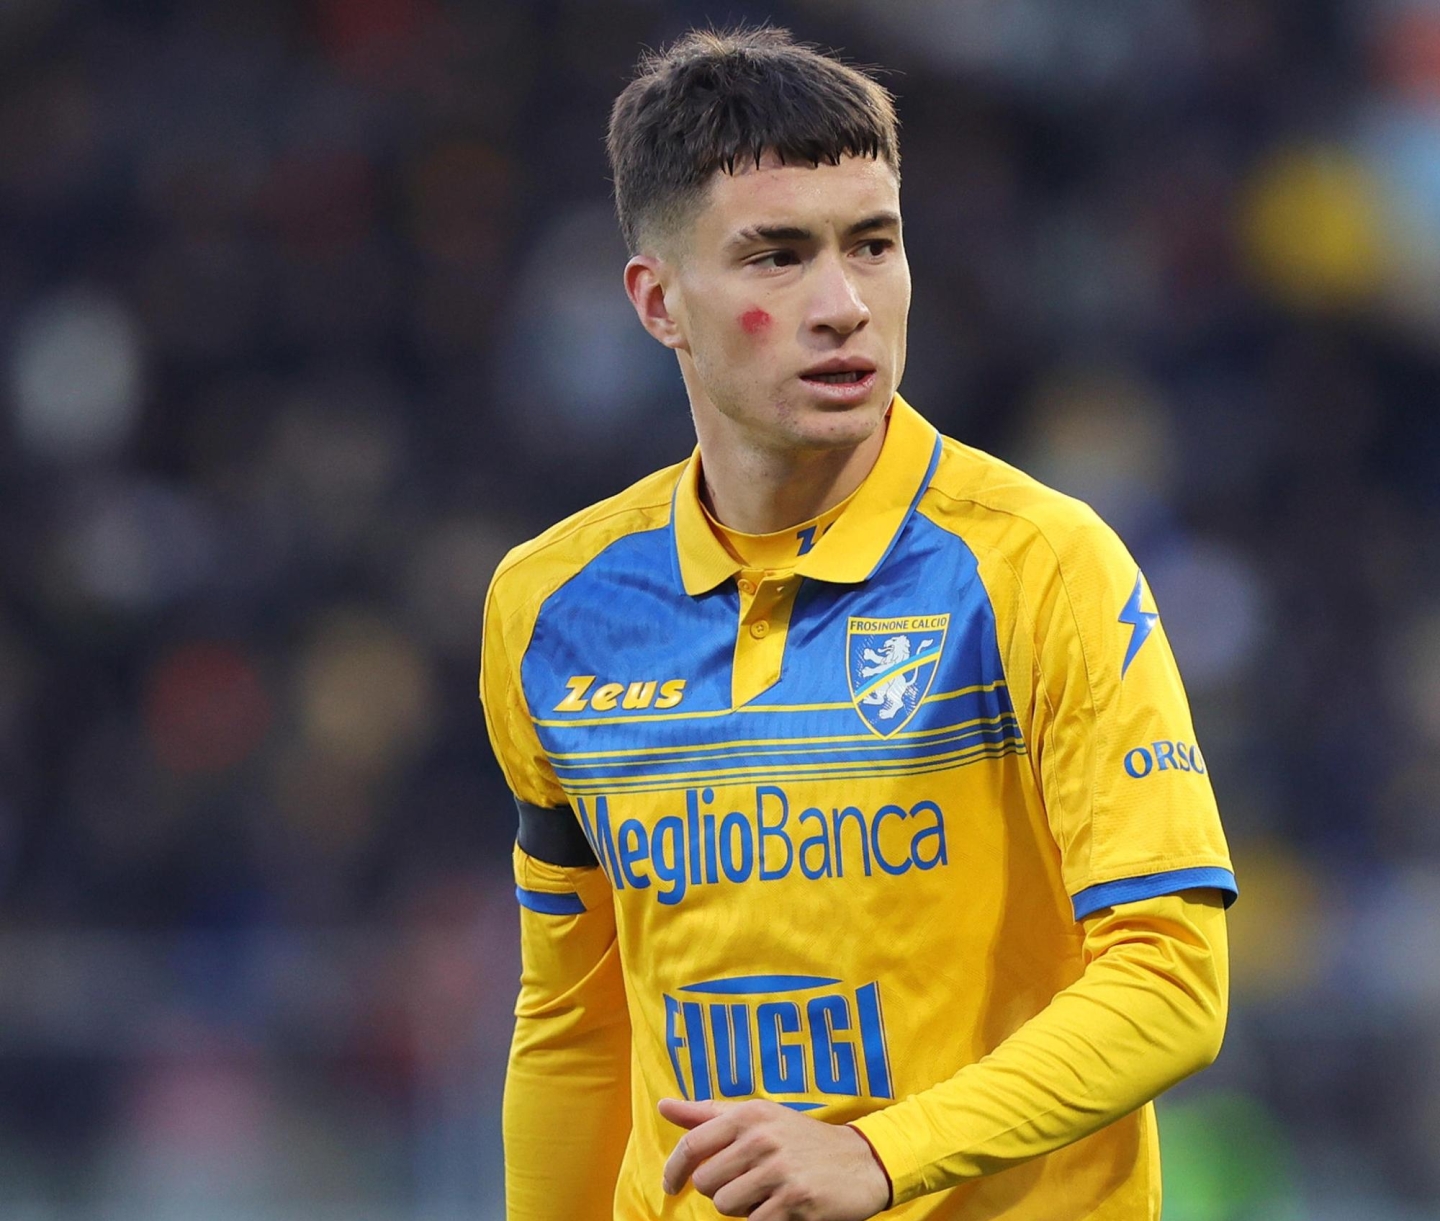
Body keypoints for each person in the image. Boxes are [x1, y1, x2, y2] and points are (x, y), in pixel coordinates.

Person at [479, 25, 1237, 1221]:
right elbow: (575, 1021)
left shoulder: (1038, 566)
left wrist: (883, 1155)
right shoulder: (552, 608)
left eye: (871, 245)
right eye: (775, 258)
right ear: (659, 300)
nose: (843, 305)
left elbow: (1173, 980)